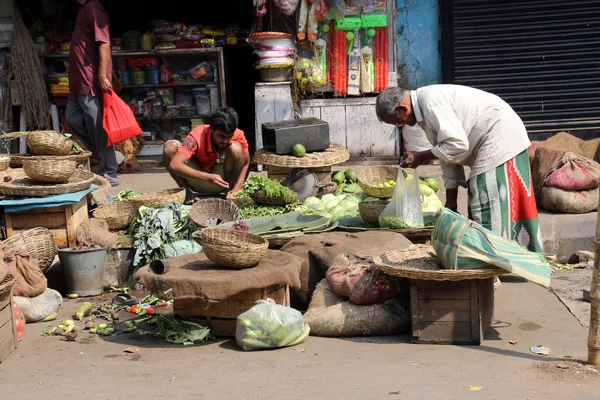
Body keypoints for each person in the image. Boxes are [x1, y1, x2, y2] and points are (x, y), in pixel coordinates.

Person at [375, 85, 543, 253]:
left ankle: (491, 260)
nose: (401, 125)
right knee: (489, 200)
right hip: (496, 136)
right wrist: (451, 201)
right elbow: (446, 152)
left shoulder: (430, 104)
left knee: (483, 201)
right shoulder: (424, 110)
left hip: (500, 134)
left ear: (402, 108)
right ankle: (499, 258)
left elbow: (457, 145)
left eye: (398, 122)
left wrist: (421, 156)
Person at [66, 0, 120, 186]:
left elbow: (104, 44)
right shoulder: (82, 9)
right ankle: (113, 157)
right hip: (78, 81)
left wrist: (102, 75)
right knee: (72, 119)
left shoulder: (94, 8)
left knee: (98, 128)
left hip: (90, 81)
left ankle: (109, 172)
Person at [163, 107, 250, 204]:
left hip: (223, 182)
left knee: (236, 148)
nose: (225, 141)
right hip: (199, 179)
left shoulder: (237, 134)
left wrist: (237, 188)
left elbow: (246, 162)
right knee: (169, 148)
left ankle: (229, 190)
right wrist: (207, 177)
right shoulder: (197, 134)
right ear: (211, 128)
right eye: (221, 136)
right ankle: (187, 192)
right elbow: (174, 165)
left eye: (229, 137)